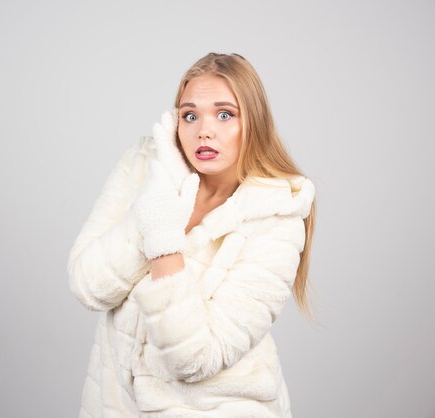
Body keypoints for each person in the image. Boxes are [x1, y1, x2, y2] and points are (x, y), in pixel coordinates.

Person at [67, 52, 317, 418]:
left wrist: (163, 236)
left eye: (225, 114)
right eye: (190, 115)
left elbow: (195, 358)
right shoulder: (144, 167)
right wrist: (160, 192)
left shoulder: (277, 219)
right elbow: (88, 285)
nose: (204, 130)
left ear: (255, 124)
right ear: (175, 123)